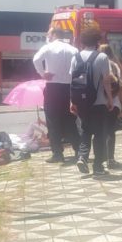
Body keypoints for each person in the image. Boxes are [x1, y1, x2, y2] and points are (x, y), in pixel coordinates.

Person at [33, 28, 80, 163]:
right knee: (71, 120)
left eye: (48, 34)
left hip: (53, 87)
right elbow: (78, 67)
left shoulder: (48, 47)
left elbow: (36, 59)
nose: (47, 36)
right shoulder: (73, 49)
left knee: (52, 121)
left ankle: (58, 153)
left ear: (54, 35)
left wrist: (43, 73)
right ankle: (78, 150)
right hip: (69, 87)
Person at [70, 28, 114, 175]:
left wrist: (73, 101)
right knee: (100, 134)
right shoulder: (102, 57)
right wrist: (109, 99)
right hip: (99, 102)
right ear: (97, 42)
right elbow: (106, 81)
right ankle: (98, 166)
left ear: (82, 42)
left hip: (82, 103)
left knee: (85, 131)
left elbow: (73, 81)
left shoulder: (75, 57)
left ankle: (82, 157)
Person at [99, 44, 122, 169]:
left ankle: (100, 159)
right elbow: (121, 88)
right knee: (111, 131)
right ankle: (111, 159)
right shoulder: (115, 66)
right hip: (114, 103)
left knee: (100, 131)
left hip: (100, 103)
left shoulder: (97, 65)